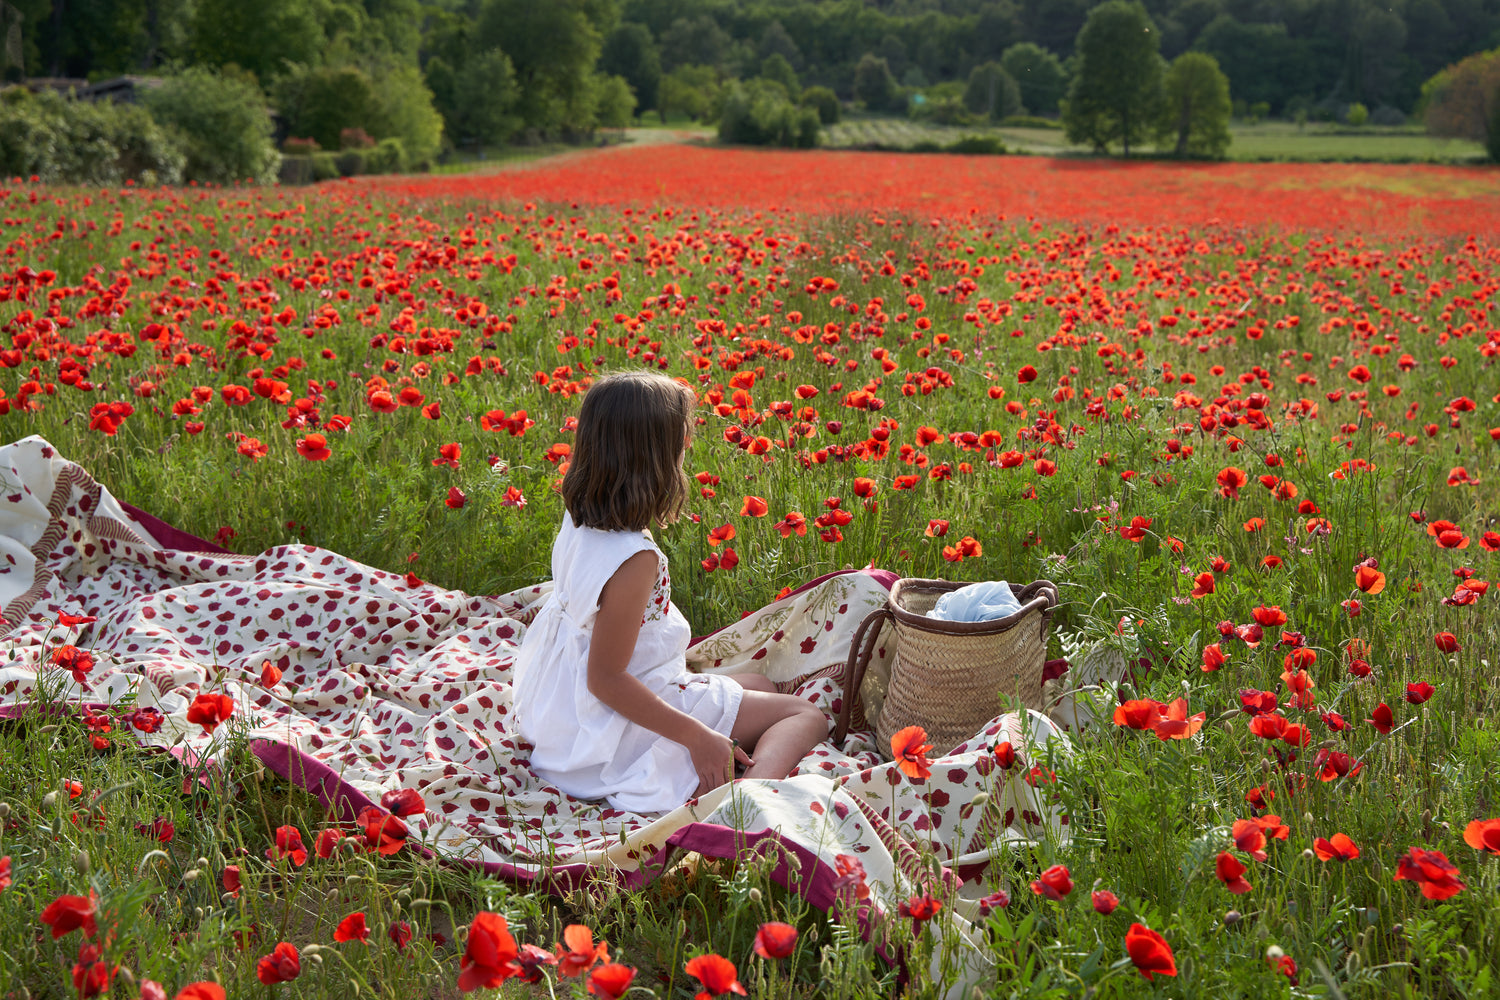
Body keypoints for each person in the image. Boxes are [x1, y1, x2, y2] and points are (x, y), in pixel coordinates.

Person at [512, 370, 830, 813]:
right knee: (805, 714)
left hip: (566, 713)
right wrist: (697, 738)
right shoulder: (633, 559)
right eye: (681, 443)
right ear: (653, 457)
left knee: (759, 682)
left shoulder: (583, 519)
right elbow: (605, 679)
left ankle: (724, 754)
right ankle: (741, 807)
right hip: (611, 730)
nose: (689, 449)